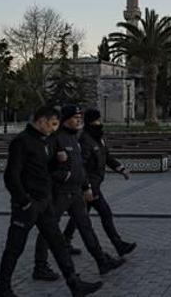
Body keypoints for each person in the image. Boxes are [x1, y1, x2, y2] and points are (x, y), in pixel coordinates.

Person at [0, 105, 102, 297]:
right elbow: (11, 176)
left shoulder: (49, 140)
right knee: (14, 247)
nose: (54, 128)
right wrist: (24, 201)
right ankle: (3, 289)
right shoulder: (22, 142)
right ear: (41, 120)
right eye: (52, 124)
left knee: (58, 243)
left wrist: (58, 161)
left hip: (45, 203)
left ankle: (74, 284)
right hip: (27, 205)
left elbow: (47, 168)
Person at [33, 105, 124, 281]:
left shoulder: (74, 138)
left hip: (75, 193)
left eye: (80, 118)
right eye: (75, 118)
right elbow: (44, 167)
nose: (79, 121)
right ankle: (40, 267)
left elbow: (80, 167)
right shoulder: (54, 139)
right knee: (49, 229)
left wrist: (86, 187)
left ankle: (101, 261)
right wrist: (64, 176)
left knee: (86, 227)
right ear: (66, 119)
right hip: (59, 193)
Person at [63, 109, 137, 256]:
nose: (99, 123)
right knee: (106, 214)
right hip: (90, 185)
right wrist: (87, 187)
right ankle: (118, 245)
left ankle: (65, 241)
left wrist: (120, 168)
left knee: (79, 216)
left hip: (94, 184)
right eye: (97, 120)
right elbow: (81, 165)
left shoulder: (98, 138)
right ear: (91, 121)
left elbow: (107, 156)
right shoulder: (85, 139)